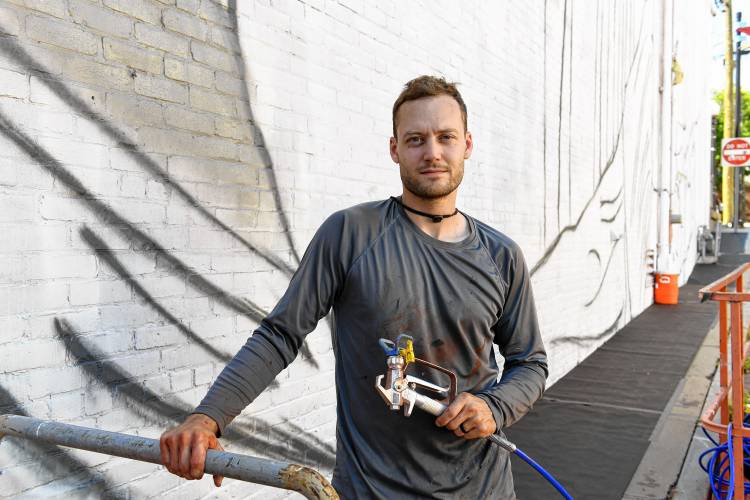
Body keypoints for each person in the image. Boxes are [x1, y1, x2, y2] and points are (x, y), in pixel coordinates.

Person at [160, 75, 548, 499]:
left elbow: (530, 363)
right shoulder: (351, 234)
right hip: (372, 490)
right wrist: (208, 418)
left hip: (483, 490)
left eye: (446, 137)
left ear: (467, 145)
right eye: (416, 139)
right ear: (395, 149)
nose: (432, 152)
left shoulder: (501, 255)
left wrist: (494, 407)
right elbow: (280, 334)